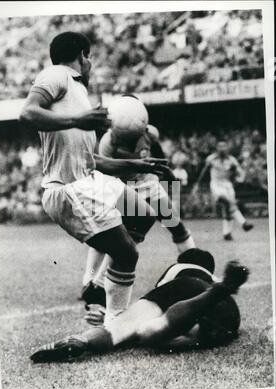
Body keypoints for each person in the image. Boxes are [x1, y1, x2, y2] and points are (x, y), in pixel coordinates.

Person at [19, 32, 167, 326]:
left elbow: (91, 161)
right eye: (90, 58)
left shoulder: (78, 92)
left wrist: (136, 163)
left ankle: (96, 287)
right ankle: (113, 320)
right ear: (83, 56)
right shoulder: (57, 74)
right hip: (68, 189)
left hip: (89, 178)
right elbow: (27, 113)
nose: (91, 64)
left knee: (143, 215)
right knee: (126, 252)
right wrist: (79, 120)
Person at [30, 248, 249, 363]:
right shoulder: (210, 275)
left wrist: (119, 323)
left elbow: (152, 305)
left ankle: (82, 340)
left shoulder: (178, 269)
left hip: (187, 291)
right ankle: (216, 293)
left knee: (129, 327)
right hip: (228, 314)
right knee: (157, 334)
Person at [81, 116, 195, 305]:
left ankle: (196, 268)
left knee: (176, 226)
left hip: (151, 187)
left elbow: (161, 162)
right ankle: (92, 281)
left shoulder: (149, 134)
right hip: (128, 190)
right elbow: (106, 172)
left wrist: (171, 184)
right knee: (119, 239)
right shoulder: (108, 142)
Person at [192, 141, 254, 240]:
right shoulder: (211, 159)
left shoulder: (232, 160)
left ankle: (227, 233)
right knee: (227, 201)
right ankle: (243, 223)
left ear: (227, 148)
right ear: (216, 148)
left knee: (228, 209)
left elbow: (240, 174)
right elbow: (203, 172)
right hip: (216, 184)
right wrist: (197, 183)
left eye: (224, 146)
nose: (222, 148)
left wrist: (238, 178)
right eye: (220, 146)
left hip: (228, 185)